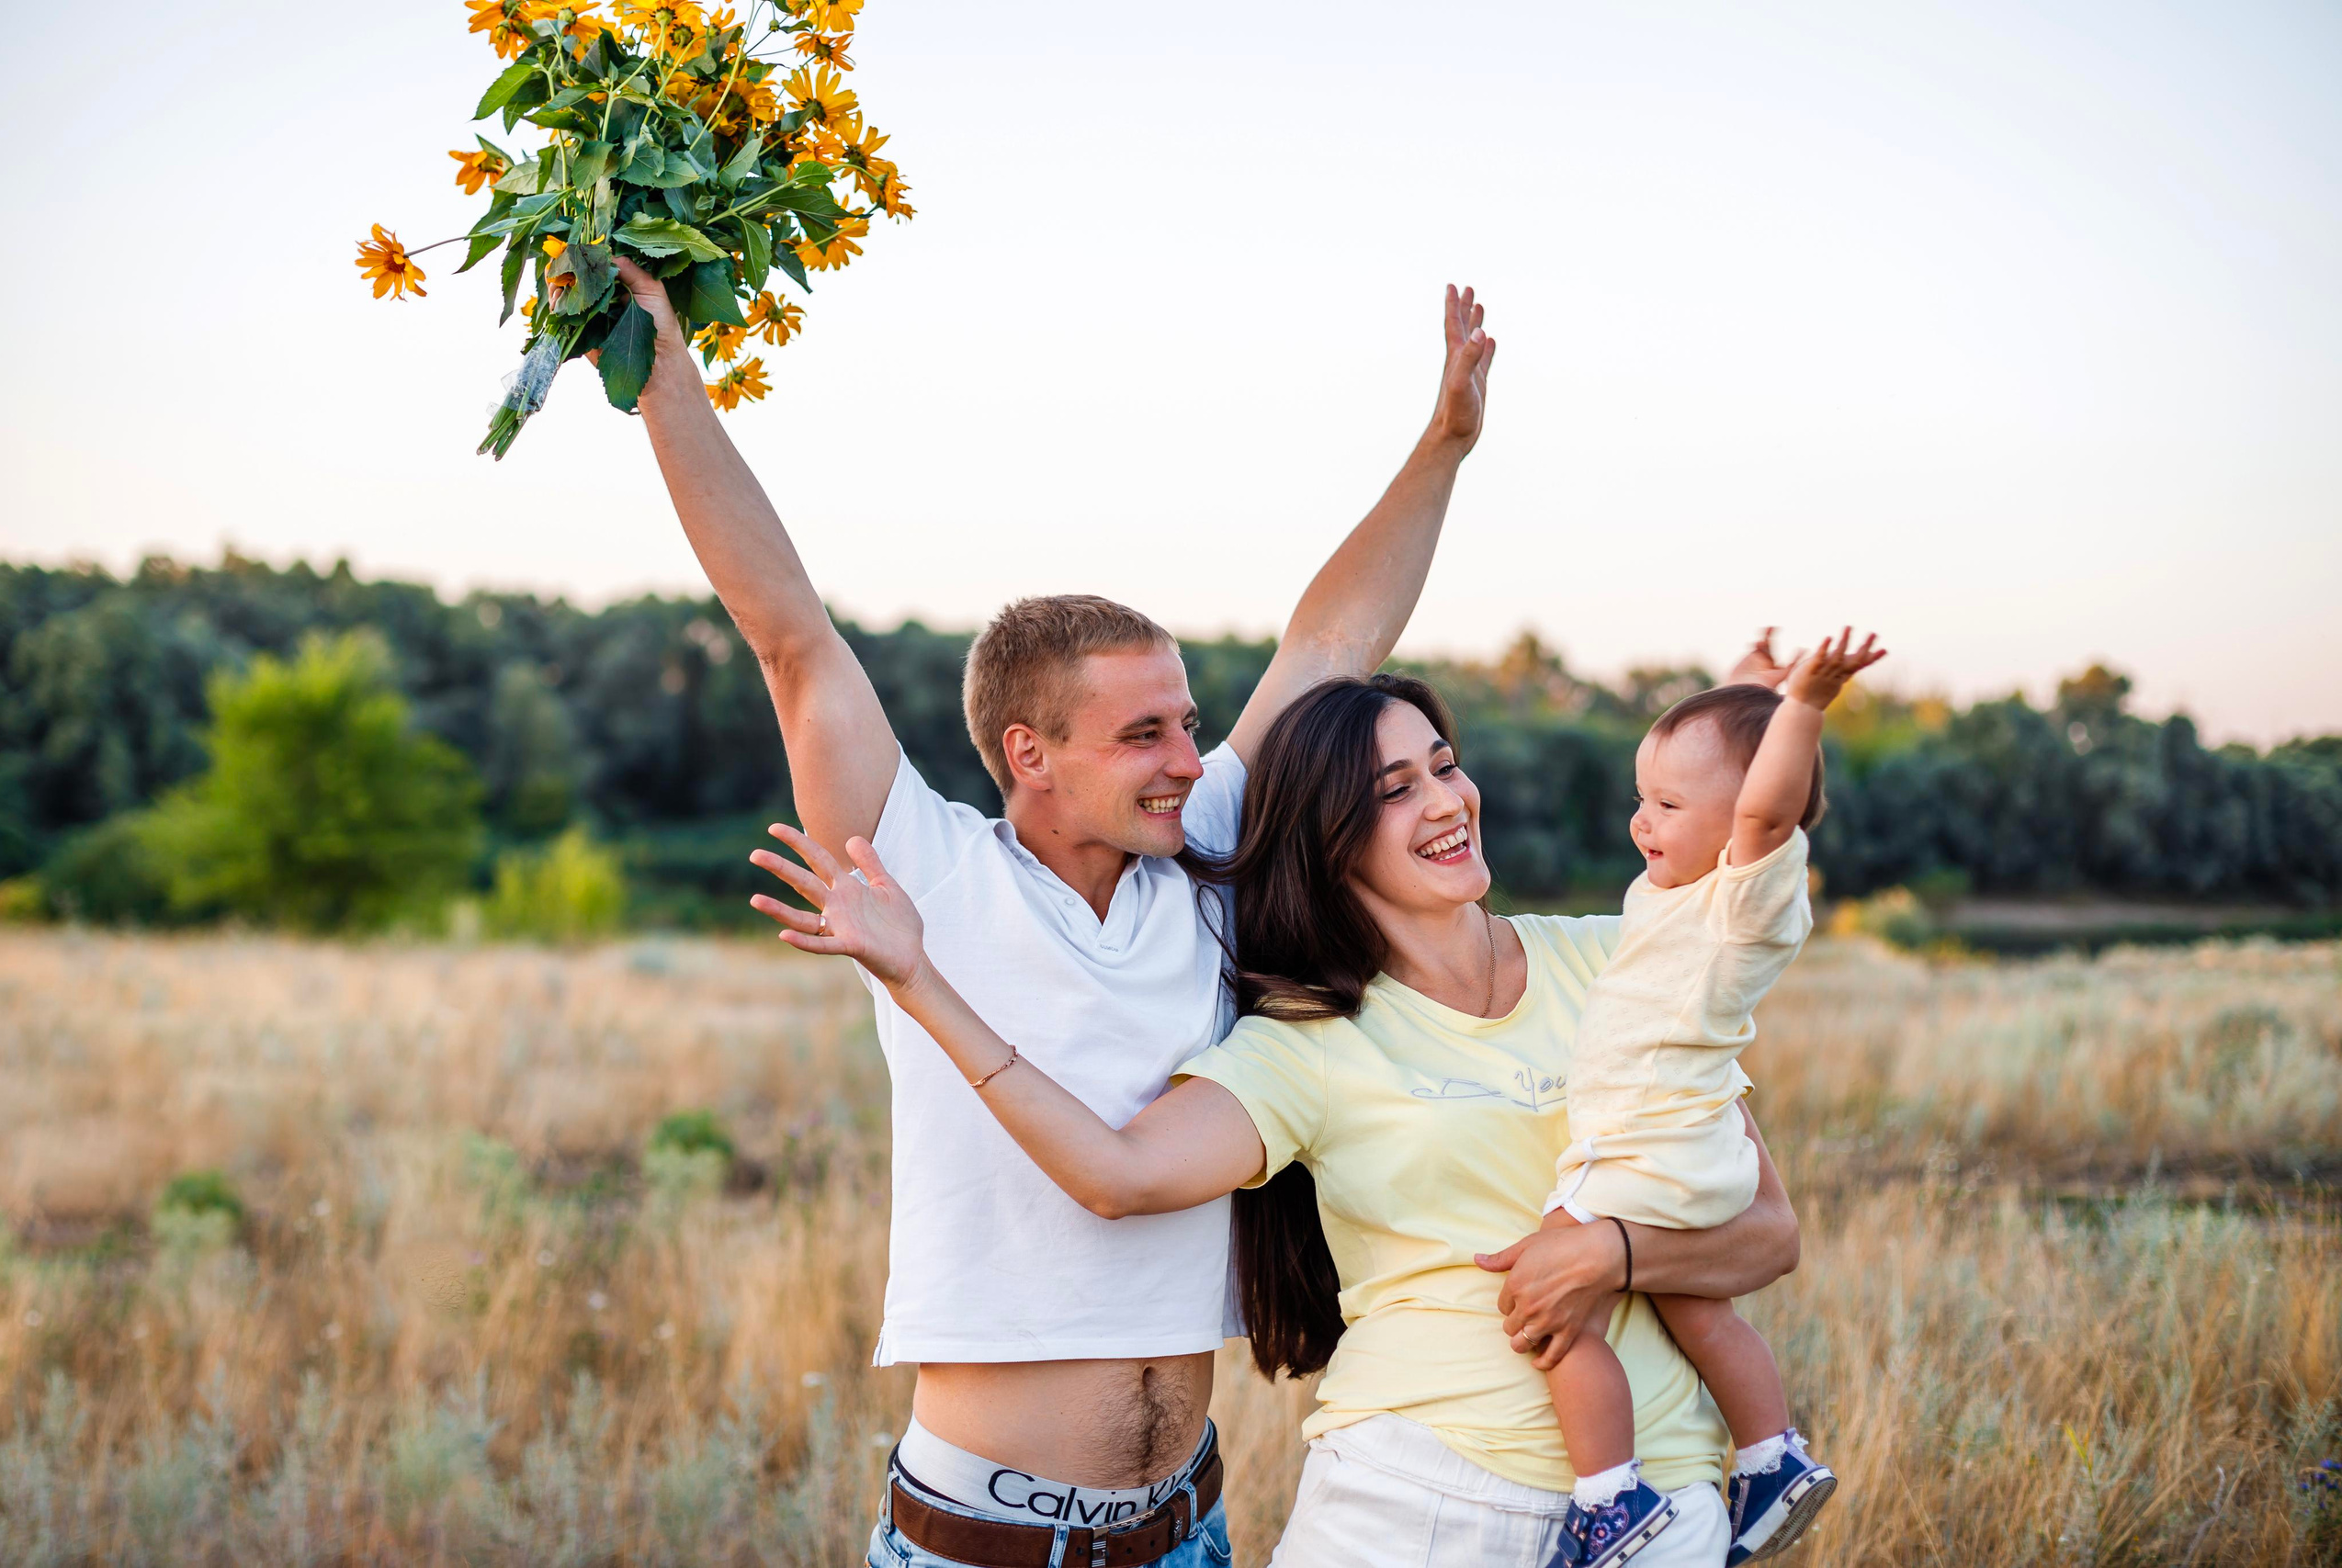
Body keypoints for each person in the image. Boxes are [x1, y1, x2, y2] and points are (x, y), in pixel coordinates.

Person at [608, 251, 1499, 1568]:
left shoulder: (1200, 860)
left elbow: (1326, 649)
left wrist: (1445, 443)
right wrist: (659, 362)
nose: (1190, 759)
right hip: (980, 1543)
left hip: (1186, 1527)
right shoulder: (923, 868)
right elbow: (787, 630)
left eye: (1188, 721)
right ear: (1030, 753)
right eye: (1144, 733)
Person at [751, 669, 1805, 1567]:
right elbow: (1116, 1175)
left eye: (1444, 764)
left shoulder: (1620, 963)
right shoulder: (1306, 1043)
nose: (1446, 800)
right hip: (1418, 1504)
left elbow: (1766, 1232)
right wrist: (918, 980)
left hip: (1656, 1507)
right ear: (1329, 837)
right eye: (1394, 790)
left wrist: (1609, 1257)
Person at [1528, 629, 1883, 1567]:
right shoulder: (1681, 888)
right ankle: (1771, 1458)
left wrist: (1800, 705)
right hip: (1681, 1145)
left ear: (1747, 829)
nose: (1642, 823)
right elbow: (1723, 772)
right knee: (1700, 1314)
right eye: (1639, 800)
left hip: (1650, 1151)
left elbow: (1761, 808)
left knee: (1551, 1310)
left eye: (1668, 806)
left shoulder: (1742, 903)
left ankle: (1610, 1500)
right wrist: (1744, 691)